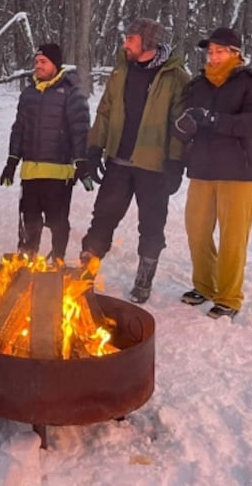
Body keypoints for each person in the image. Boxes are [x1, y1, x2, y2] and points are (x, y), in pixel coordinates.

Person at [81, 18, 189, 303]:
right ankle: (85, 273)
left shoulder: (176, 77)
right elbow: (104, 113)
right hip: (118, 161)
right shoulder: (120, 72)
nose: (125, 44)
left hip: (154, 167)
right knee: (102, 218)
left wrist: (176, 164)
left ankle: (144, 279)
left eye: (130, 39)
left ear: (147, 43)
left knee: (152, 224)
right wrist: (94, 149)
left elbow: (180, 125)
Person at [174, 27, 252, 319]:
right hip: (202, 168)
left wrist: (214, 120)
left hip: (238, 171)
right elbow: (186, 118)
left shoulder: (251, 83)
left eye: (219, 51)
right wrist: (182, 127)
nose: (213, 56)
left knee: (233, 238)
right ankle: (204, 285)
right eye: (210, 51)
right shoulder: (197, 84)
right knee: (197, 232)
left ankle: (228, 297)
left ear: (235, 53)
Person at [0, 43, 93, 263]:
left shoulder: (71, 92)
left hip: (58, 173)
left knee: (58, 221)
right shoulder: (29, 93)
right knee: (30, 218)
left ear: (55, 64)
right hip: (30, 172)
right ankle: (28, 259)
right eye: (36, 62)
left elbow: (80, 130)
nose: (38, 66)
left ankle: (57, 260)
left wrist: (82, 162)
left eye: (43, 62)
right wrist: (12, 161)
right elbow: (19, 128)